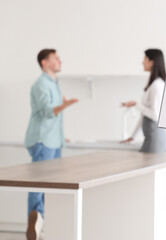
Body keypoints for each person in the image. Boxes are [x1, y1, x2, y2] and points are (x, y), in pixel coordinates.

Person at [24, 49, 78, 240]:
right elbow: (48, 112)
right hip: (42, 141)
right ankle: (36, 225)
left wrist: (62, 136)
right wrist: (66, 105)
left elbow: (54, 118)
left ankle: (45, 226)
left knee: (53, 187)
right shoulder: (41, 84)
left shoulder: (54, 84)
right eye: (56, 58)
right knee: (38, 185)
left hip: (54, 142)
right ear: (45, 62)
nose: (60, 61)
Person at [121, 49, 166, 153]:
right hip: (150, 137)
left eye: (145, 59)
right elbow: (144, 115)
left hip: (155, 138)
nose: (142, 62)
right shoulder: (152, 83)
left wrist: (136, 105)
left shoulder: (157, 85)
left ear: (152, 62)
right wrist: (133, 136)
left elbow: (155, 115)